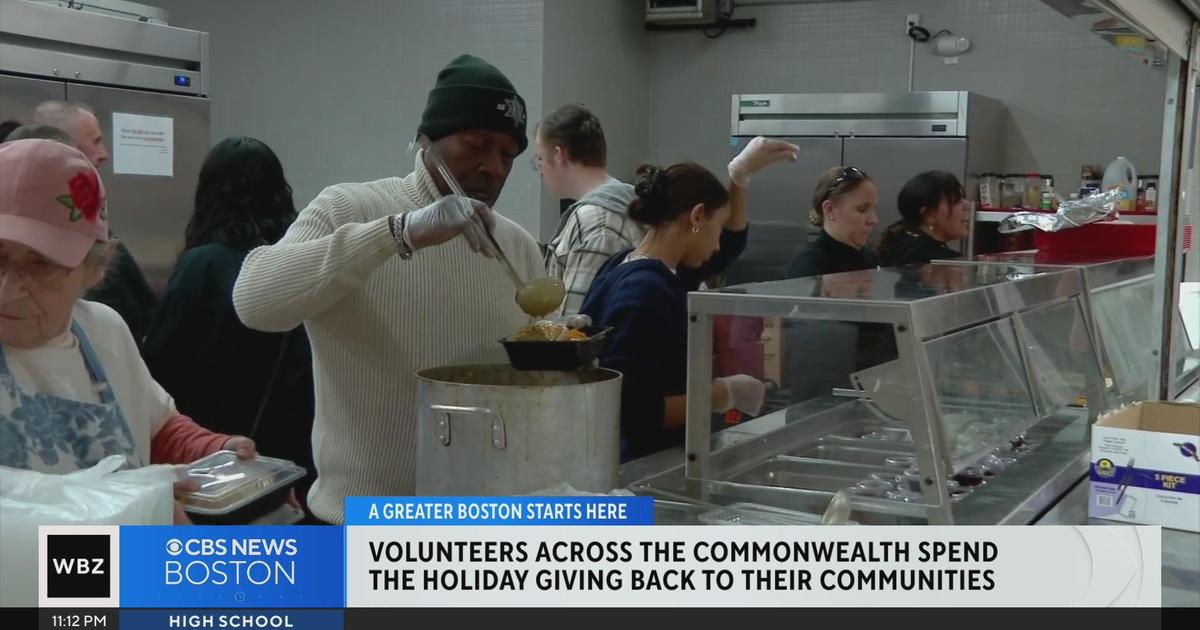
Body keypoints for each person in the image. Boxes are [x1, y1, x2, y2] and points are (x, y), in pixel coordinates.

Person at [232, 54, 542, 524]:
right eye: (477, 144)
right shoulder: (349, 208)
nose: (494, 167)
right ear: (427, 143)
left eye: (508, 155)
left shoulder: (516, 247)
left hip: (480, 522)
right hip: (360, 521)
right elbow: (255, 301)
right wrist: (399, 232)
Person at [0, 139, 258, 524]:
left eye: (40, 264)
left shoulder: (103, 330)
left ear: (95, 267)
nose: (7, 288)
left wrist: (211, 451)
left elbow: (154, 425)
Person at [142, 137, 316, 510]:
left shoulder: (202, 264)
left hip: (220, 452)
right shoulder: (300, 258)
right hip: (298, 449)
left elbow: (159, 365)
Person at [580, 163, 770, 462]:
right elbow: (632, 411)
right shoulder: (646, 290)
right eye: (718, 228)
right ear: (697, 216)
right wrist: (722, 394)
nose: (719, 244)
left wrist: (740, 175)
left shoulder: (623, 265)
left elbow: (730, 247)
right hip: (637, 467)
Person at [33, 100, 159, 347]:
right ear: (66, 147)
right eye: (96, 141)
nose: (104, 154)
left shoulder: (93, 224)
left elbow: (143, 311)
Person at [535, 104, 645, 316]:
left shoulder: (596, 220)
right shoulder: (632, 202)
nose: (539, 172)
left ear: (559, 155)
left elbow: (574, 327)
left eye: (539, 159)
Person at [786, 166, 879, 278]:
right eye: (862, 209)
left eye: (874, 209)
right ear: (829, 210)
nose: (874, 220)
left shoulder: (870, 259)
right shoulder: (809, 268)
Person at [876, 170, 968, 266]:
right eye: (956, 201)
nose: (967, 206)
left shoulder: (897, 247)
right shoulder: (944, 264)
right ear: (929, 214)